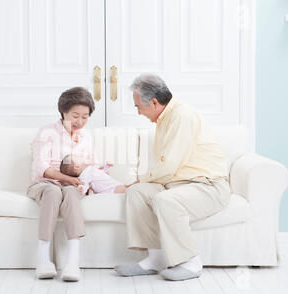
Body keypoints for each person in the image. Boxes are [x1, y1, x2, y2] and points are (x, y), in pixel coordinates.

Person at [114, 74, 231, 281]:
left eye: (138, 106)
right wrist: (138, 184)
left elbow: (168, 165)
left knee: (163, 199)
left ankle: (191, 262)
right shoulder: (165, 119)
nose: (139, 112)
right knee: (137, 192)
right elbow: (164, 167)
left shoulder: (181, 116)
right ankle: (155, 259)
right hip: (177, 185)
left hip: (207, 186)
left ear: (154, 102)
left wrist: (141, 178)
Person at [27, 87, 95, 282]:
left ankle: (72, 262)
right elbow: (41, 167)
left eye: (85, 117)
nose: (80, 122)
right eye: (75, 116)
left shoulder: (86, 137)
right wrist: (67, 179)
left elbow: (88, 165)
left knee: (72, 195)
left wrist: (86, 178)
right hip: (45, 183)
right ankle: (42, 259)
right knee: (52, 192)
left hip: (72, 185)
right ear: (64, 112)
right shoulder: (47, 132)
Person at [59, 154, 127, 195]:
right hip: (110, 190)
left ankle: (130, 188)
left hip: (112, 187)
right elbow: (84, 184)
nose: (82, 157)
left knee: (126, 188)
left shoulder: (89, 169)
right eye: (80, 158)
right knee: (126, 190)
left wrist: (106, 166)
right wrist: (81, 189)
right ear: (77, 166)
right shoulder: (84, 175)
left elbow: (100, 173)